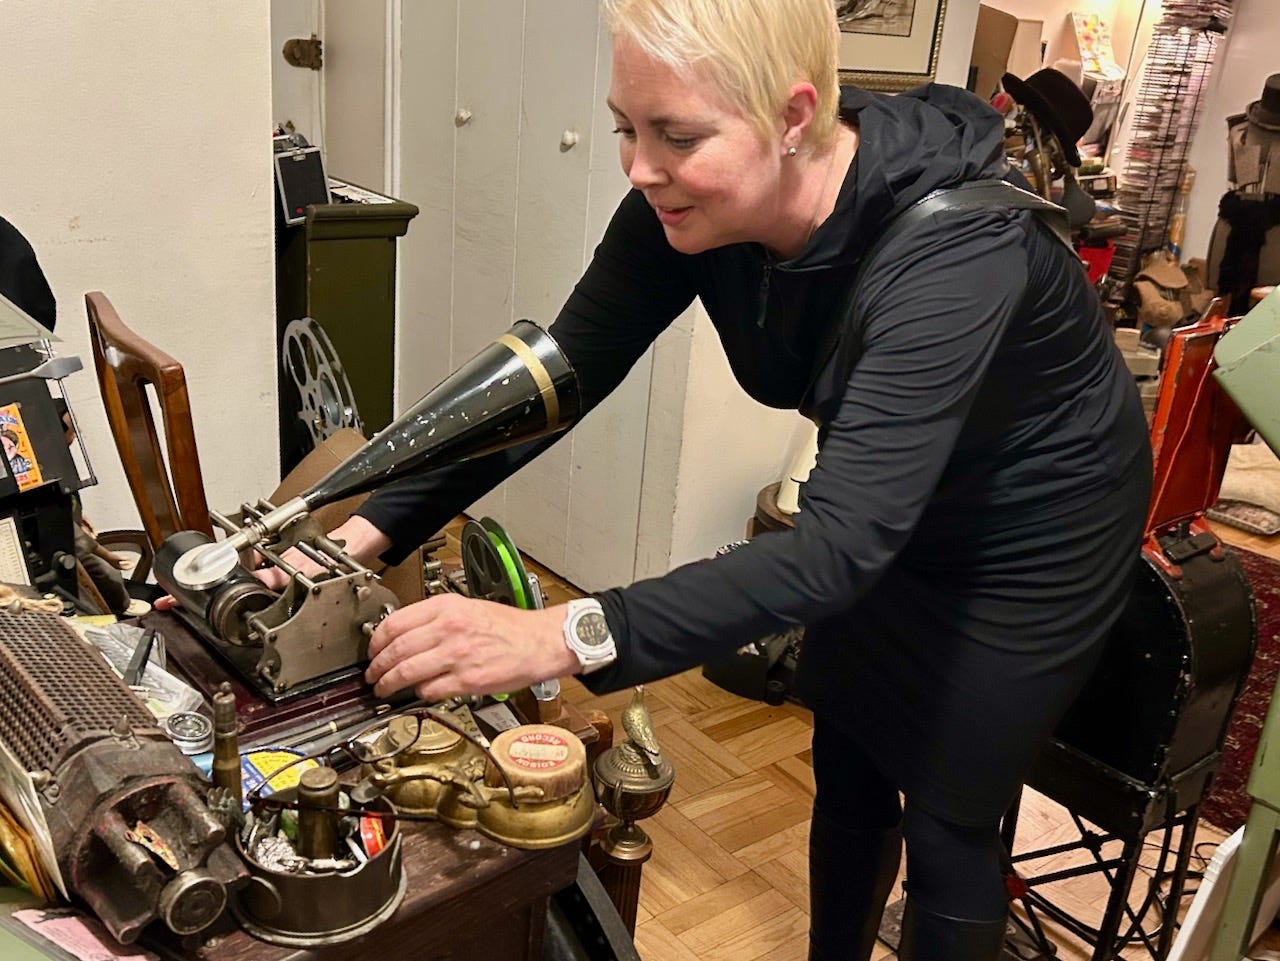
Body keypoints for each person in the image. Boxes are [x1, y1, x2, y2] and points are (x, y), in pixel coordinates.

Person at [282, 1, 1152, 958]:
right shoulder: (694, 205)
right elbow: (558, 381)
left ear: (794, 116)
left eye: (678, 135)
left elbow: (832, 552)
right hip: (882, 497)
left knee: (950, 817)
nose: (639, 166)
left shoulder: (957, 257)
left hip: (1030, 535)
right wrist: (359, 535)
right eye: (626, 127)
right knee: (851, 754)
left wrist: (553, 634)